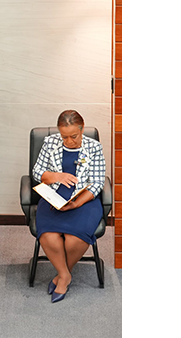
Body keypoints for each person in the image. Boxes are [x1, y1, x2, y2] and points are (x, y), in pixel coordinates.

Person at [33, 110, 106, 303]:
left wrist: (77, 203)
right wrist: (57, 176)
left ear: (82, 130)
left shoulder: (94, 147)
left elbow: (98, 182)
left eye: (73, 136)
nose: (69, 141)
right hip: (54, 198)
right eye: (64, 136)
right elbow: (37, 172)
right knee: (48, 235)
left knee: (74, 240)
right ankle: (64, 275)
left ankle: (62, 275)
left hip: (84, 200)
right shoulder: (50, 143)